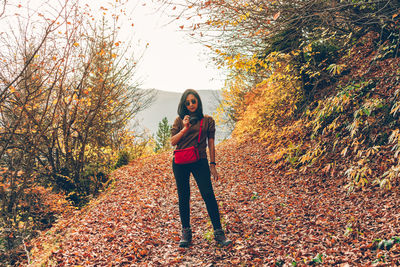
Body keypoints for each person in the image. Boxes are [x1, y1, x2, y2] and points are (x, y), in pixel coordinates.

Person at [170, 89, 232, 248]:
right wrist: (184, 128)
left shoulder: (208, 121)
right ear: (184, 104)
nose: (191, 104)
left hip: (200, 161)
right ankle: (186, 232)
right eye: (188, 102)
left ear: (198, 102)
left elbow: (211, 143)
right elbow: (172, 141)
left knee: (208, 195)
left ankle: (218, 232)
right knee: (183, 196)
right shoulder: (179, 120)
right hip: (180, 162)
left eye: (193, 101)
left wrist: (213, 164)